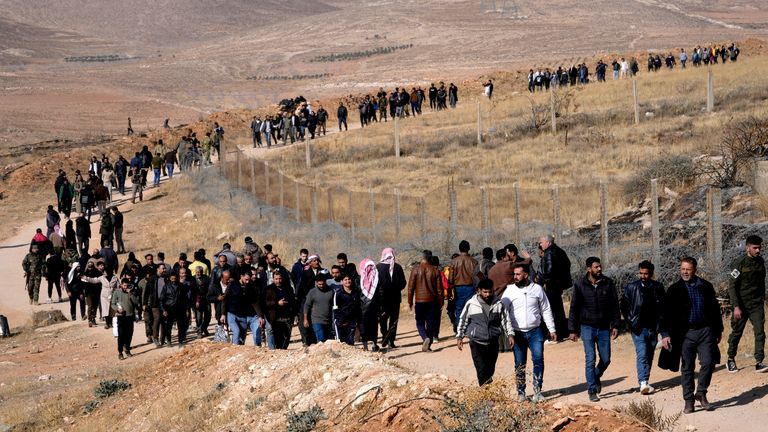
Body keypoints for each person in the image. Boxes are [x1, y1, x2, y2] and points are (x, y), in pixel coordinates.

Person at [659, 257, 723, 414]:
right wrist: (665, 333)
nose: (685, 272)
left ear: (695, 269)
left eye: (688, 269)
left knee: (708, 362)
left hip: (705, 331)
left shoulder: (706, 286)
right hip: (685, 333)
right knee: (687, 367)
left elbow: (714, 309)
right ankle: (688, 401)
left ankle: (701, 393)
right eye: (682, 269)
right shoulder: (674, 289)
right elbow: (666, 313)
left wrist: (718, 329)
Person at [568, 257, 620, 402]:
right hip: (587, 327)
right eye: (596, 267)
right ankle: (591, 390)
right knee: (590, 359)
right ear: (588, 269)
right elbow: (574, 308)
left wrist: (616, 325)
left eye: (600, 266)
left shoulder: (608, 283)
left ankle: (595, 376)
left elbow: (615, 305)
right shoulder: (580, 285)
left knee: (606, 359)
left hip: (604, 327)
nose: (599, 269)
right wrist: (572, 329)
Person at [502, 264, 556, 402]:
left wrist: (552, 329)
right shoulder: (509, 291)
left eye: (518, 274)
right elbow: (503, 312)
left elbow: (546, 309)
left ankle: (537, 391)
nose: (515, 277)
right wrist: (509, 333)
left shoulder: (537, 289)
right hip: (517, 332)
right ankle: (521, 393)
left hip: (535, 331)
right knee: (520, 363)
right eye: (514, 274)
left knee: (538, 360)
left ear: (526, 275)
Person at [620, 260, 666, 394]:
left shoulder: (658, 287)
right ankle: (643, 382)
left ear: (651, 273)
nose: (643, 276)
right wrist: (630, 321)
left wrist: (661, 326)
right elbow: (624, 305)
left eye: (645, 274)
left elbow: (663, 307)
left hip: (653, 327)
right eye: (641, 273)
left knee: (650, 354)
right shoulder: (631, 287)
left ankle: (645, 379)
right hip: (638, 327)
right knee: (642, 353)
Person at [456, 279, 514, 386]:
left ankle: (487, 390)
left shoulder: (498, 304)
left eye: (490, 292)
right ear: (479, 291)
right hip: (477, 342)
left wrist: (510, 335)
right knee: (481, 369)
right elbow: (463, 320)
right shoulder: (471, 304)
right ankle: (485, 394)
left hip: (493, 342)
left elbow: (506, 320)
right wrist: (460, 337)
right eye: (485, 292)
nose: (487, 294)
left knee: (490, 369)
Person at [727, 235, 767, 373]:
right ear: (747, 247)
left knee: (760, 331)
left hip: (756, 303)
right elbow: (732, 286)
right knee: (737, 332)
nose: (757, 251)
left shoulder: (760, 262)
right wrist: (736, 306)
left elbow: (761, 282)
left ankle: (759, 361)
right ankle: (731, 359)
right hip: (741, 304)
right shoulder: (739, 263)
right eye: (755, 248)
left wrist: (762, 299)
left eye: (759, 248)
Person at [408, 250, 443, 351]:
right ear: (430, 258)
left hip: (419, 300)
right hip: (432, 301)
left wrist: (410, 302)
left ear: (422, 257)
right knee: (430, 322)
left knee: (420, 322)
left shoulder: (415, 269)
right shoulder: (435, 270)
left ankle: (425, 338)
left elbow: (410, 288)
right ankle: (429, 345)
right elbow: (439, 289)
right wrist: (441, 302)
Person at [538, 235, 571, 341]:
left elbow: (549, 272)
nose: (540, 244)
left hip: (551, 285)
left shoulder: (549, 253)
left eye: (541, 242)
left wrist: (539, 278)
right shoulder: (560, 251)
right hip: (558, 284)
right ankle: (562, 332)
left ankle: (554, 335)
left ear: (548, 242)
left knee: (550, 310)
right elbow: (567, 264)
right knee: (558, 308)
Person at [221, 271, 262, 346]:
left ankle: (240, 352)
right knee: (236, 332)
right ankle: (235, 349)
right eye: (246, 279)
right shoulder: (233, 285)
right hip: (232, 313)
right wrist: (223, 314)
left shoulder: (251, 287)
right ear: (241, 276)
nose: (247, 281)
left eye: (249, 280)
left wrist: (260, 316)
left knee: (242, 337)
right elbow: (225, 298)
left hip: (243, 315)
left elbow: (254, 302)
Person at [377, 248, 406, 348]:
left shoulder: (378, 267)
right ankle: (391, 341)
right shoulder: (397, 267)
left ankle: (385, 336)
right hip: (395, 299)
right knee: (393, 320)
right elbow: (403, 283)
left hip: (382, 299)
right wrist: (396, 288)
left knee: (383, 319)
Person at [449, 240, 478, 333]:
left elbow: (450, 279)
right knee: (471, 309)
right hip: (471, 287)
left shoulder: (454, 262)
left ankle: (460, 330)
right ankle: (470, 330)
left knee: (459, 310)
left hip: (458, 288)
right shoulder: (474, 261)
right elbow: (477, 276)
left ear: (459, 249)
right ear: (468, 248)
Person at [262, 270, 295, 349]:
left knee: (286, 336)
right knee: (276, 336)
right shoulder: (268, 289)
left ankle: (283, 352)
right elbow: (264, 303)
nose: (278, 281)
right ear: (273, 279)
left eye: (280, 279)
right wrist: (277, 303)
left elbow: (293, 301)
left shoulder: (288, 288)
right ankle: (274, 351)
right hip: (274, 316)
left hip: (286, 316)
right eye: (276, 279)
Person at [160, 271, 190, 347]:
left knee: (181, 326)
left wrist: (186, 309)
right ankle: (169, 341)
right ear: (170, 278)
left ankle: (181, 341)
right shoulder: (166, 287)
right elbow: (161, 299)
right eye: (172, 278)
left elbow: (185, 299)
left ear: (177, 278)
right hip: (169, 308)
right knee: (168, 326)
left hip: (180, 309)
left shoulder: (181, 286)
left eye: (175, 278)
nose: (174, 280)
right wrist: (163, 310)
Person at [112, 277, 140, 359]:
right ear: (121, 285)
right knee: (121, 335)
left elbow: (136, 302)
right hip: (121, 316)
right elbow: (113, 304)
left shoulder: (131, 292)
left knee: (129, 334)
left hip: (130, 316)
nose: (125, 287)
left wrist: (131, 294)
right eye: (124, 285)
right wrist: (117, 309)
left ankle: (127, 348)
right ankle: (120, 352)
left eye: (127, 286)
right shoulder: (117, 292)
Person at [304, 273, 334, 343]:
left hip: (328, 321)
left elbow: (333, 305)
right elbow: (307, 306)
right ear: (316, 283)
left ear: (325, 282)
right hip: (316, 320)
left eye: (322, 284)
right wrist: (305, 319)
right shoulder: (312, 292)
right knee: (321, 339)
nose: (321, 286)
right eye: (319, 284)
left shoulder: (330, 291)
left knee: (327, 340)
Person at [359, 258, 381, 351]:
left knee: (364, 326)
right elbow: (381, 293)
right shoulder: (377, 279)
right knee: (373, 326)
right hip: (374, 307)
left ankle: (365, 346)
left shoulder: (359, 279)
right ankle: (374, 344)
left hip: (362, 308)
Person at [333, 274, 360, 345]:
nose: (348, 281)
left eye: (349, 279)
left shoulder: (355, 292)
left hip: (352, 321)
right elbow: (335, 308)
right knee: (341, 343)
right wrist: (342, 320)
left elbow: (357, 307)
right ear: (342, 281)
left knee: (350, 342)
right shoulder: (338, 293)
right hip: (341, 322)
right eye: (345, 280)